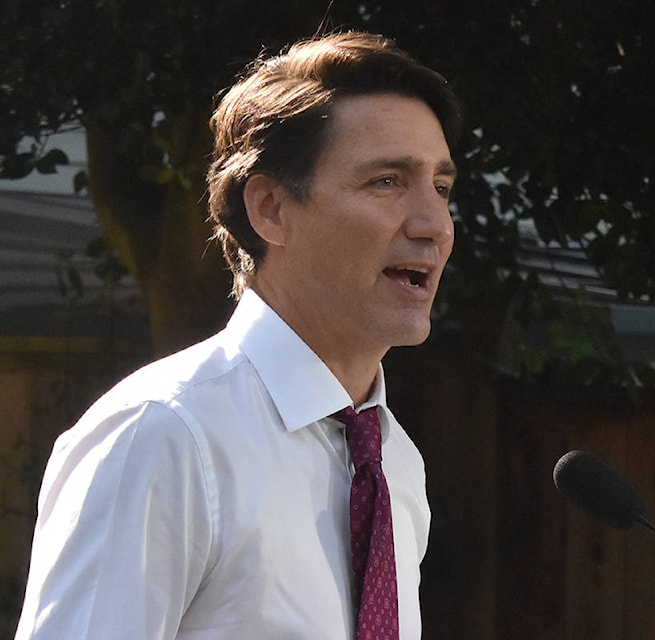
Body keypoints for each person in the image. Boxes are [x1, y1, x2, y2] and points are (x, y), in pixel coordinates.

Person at [15, 31, 461, 640]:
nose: (435, 224)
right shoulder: (163, 432)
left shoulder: (395, 462)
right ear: (271, 209)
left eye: (441, 187)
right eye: (386, 181)